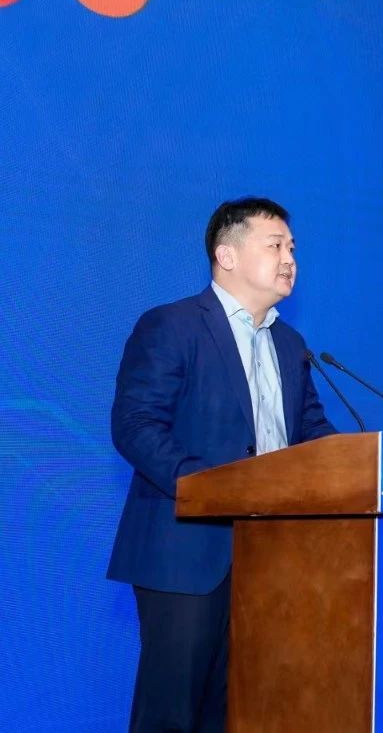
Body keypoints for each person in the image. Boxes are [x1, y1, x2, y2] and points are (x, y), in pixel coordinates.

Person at [107, 197, 336, 732]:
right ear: (226, 255)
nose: (290, 259)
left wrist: (361, 463)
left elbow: (313, 434)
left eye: (293, 248)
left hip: (271, 559)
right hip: (186, 552)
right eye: (275, 245)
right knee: (172, 713)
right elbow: (136, 425)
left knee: (238, 711)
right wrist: (214, 487)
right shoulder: (172, 325)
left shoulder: (291, 344)